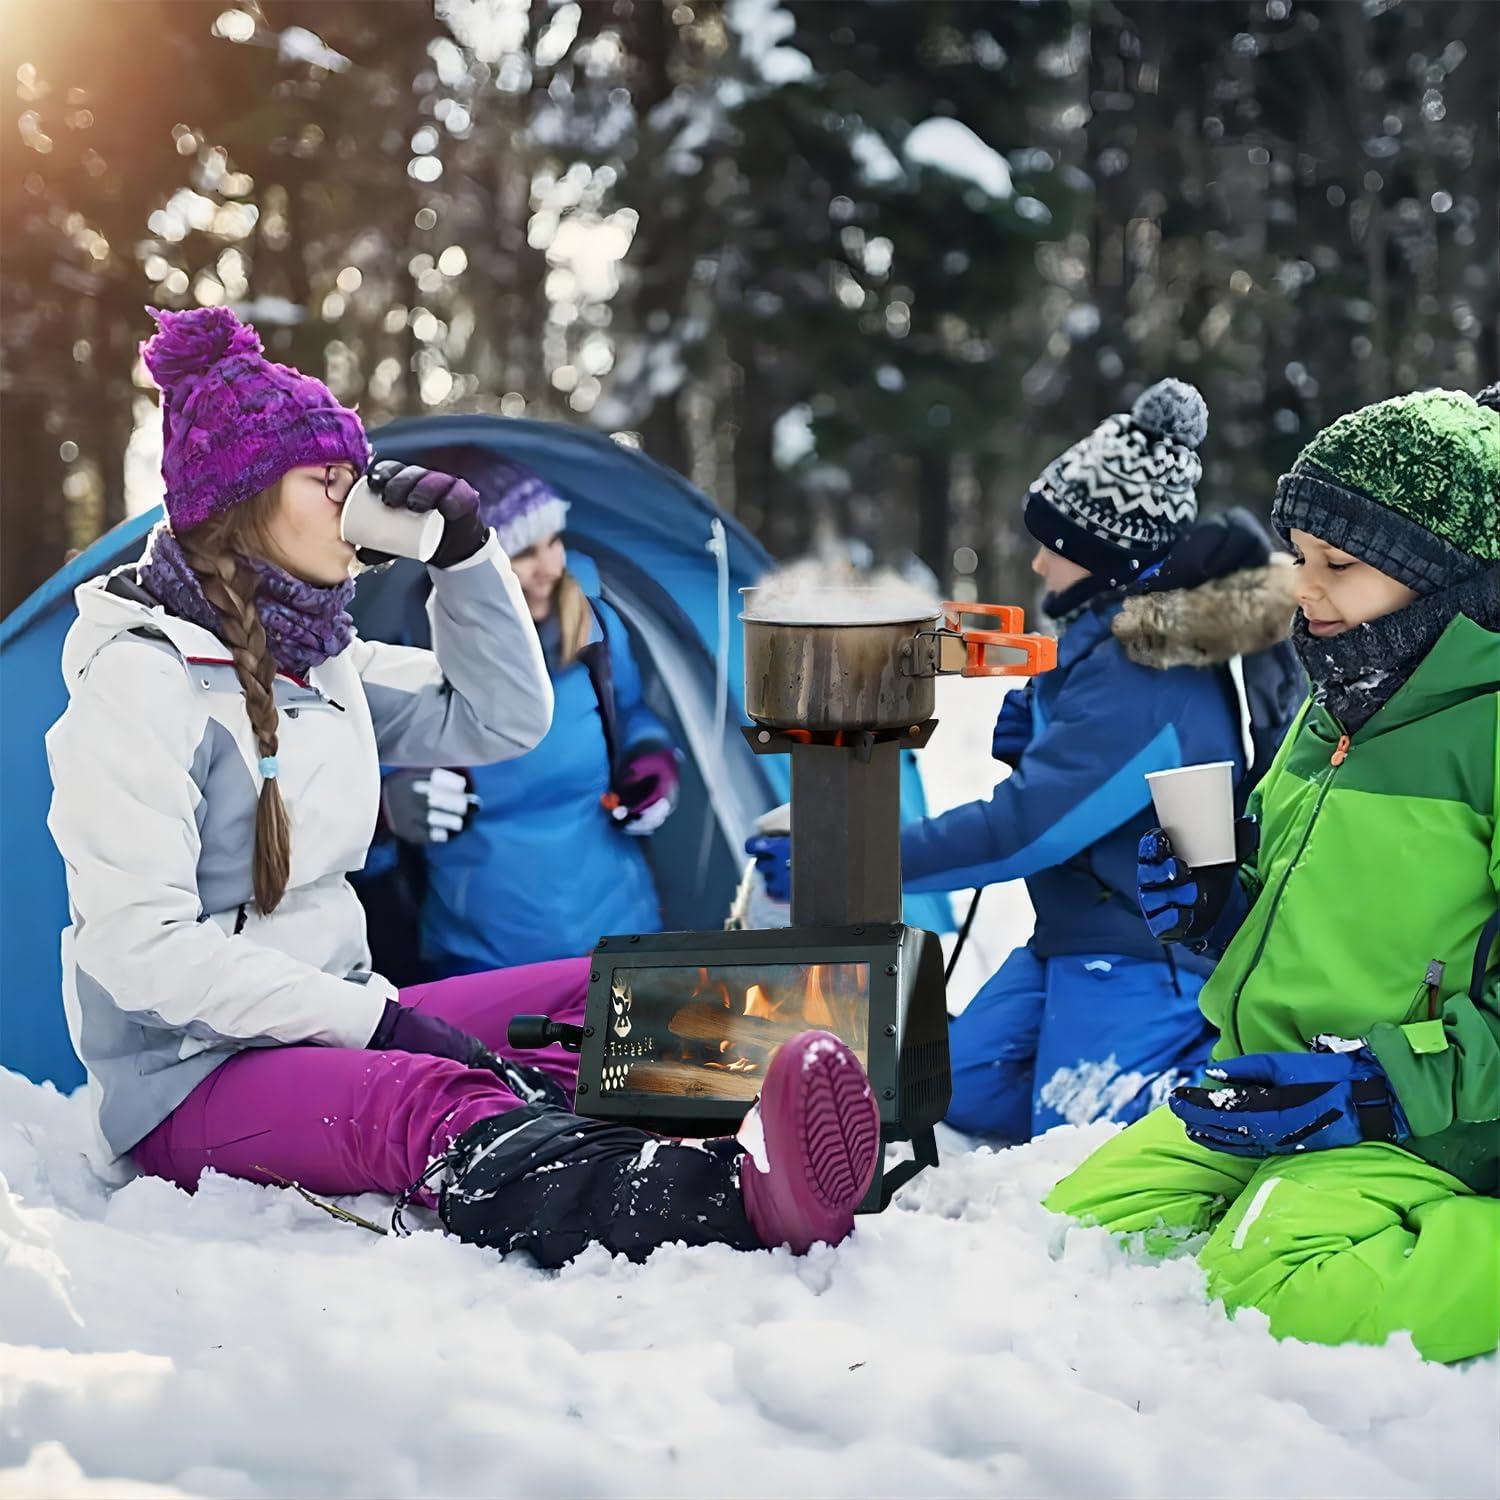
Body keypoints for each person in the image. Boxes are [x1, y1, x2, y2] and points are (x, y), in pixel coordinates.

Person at [44, 305, 881, 1268]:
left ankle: (812, 1096)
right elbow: (138, 952)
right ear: (243, 498)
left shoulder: (323, 660)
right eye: (329, 480)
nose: (355, 498)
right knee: (424, 1103)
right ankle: (733, 1201)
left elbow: (500, 719)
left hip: (337, 1012)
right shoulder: (139, 680)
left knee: (597, 992)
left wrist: (467, 558)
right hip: (191, 1080)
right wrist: (376, 1020)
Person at [1048, 387, 1500, 1363]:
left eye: (1339, 564)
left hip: (1429, 1122)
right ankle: (1287, 1198)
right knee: (1082, 1225)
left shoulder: (1490, 732)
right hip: (1279, 1083)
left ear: (1443, 577)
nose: (1304, 586)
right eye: (1300, 554)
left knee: (1269, 1280)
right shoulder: (1333, 699)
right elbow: (1293, 890)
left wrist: (1379, 1089)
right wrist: (1218, 905)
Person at [750, 379, 1301, 1141]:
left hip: (1149, 954)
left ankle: (1218, 1058)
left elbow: (1022, 831)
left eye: (1056, 546)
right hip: (1070, 935)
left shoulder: (1147, 674)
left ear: (1103, 555)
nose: (1040, 564)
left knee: (1072, 1141)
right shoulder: (1102, 646)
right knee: (952, 1090)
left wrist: (841, 861)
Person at [355, 448, 677, 979]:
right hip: (484, 959)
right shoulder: (410, 653)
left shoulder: (594, 630)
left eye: (554, 541)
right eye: (525, 552)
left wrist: (651, 758)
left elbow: (634, 713)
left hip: (622, 935)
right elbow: (344, 815)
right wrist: (387, 812)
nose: (552, 566)